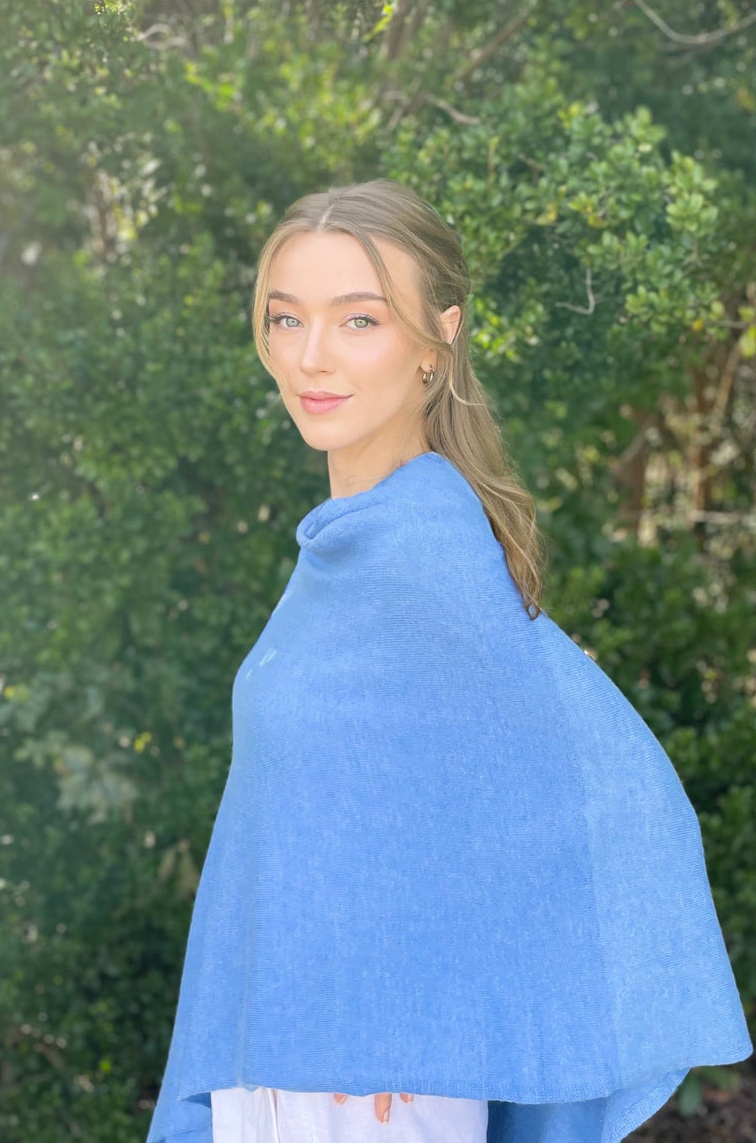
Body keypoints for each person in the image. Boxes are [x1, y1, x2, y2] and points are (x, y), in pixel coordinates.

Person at [145, 181, 751, 1143]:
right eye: (286, 318)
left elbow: (607, 788)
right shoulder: (351, 547)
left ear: (437, 341)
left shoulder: (428, 550)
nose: (311, 356)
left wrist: (438, 1002)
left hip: (376, 1086)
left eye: (359, 320)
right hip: (291, 1060)